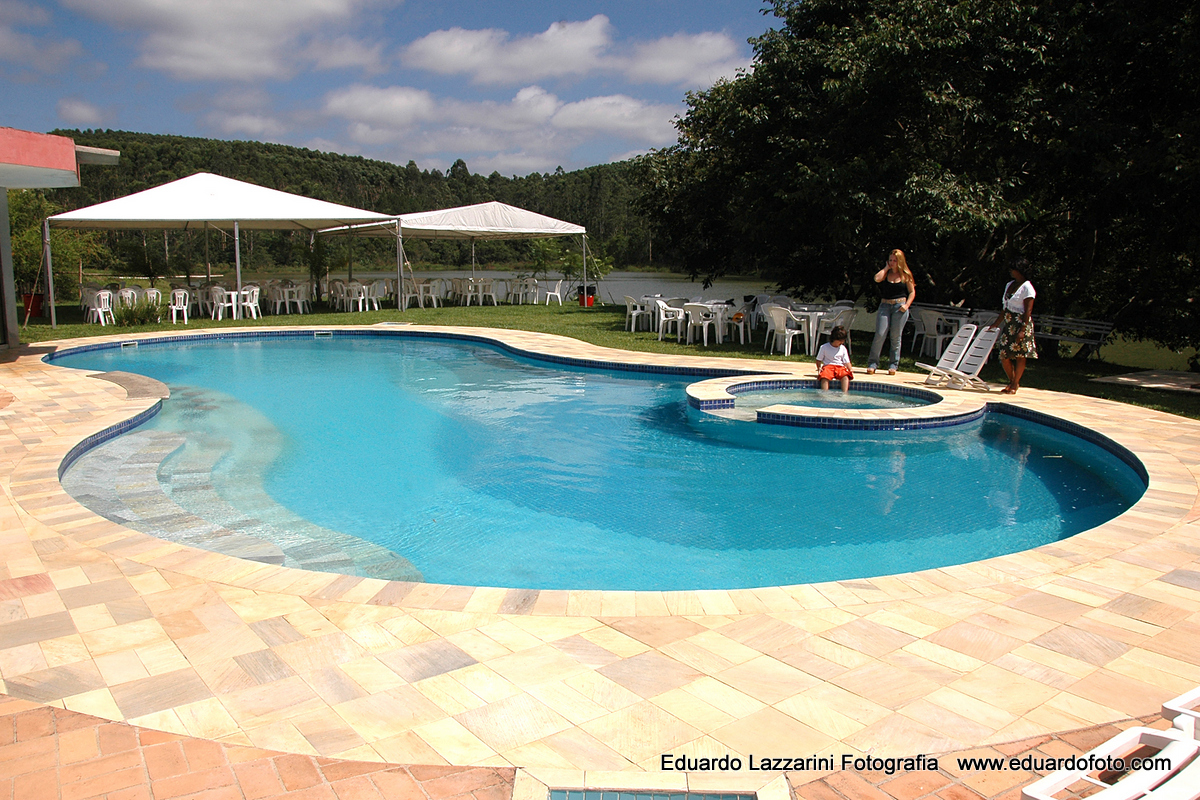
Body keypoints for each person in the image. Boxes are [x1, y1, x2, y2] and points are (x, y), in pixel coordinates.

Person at [990, 258, 1038, 394]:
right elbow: (1005, 308)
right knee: (1004, 355)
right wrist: (996, 324)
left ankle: (1015, 383)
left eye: (1014, 269)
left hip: (1021, 323)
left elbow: (1028, 310)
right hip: (1009, 323)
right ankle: (1012, 381)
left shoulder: (1027, 287)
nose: (1011, 271)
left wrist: (1022, 330)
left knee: (1020, 355)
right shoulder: (1009, 285)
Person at [866, 249, 916, 375]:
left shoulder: (906, 275)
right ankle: (872, 363)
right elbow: (877, 279)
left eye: (895, 260)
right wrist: (886, 268)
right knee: (880, 334)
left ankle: (893, 364)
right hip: (885, 305)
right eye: (891, 260)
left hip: (899, 306)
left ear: (900, 261)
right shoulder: (886, 274)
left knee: (895, 336)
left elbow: (912, 292)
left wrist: (907, 305)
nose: (892, 262)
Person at [816, 325, 854, 391]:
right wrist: (819, 368)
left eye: (843, 341)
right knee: (824, 377)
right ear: (834, 339)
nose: (841, 342)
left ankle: (844, 393)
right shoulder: (824, 347)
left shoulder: (842, 348)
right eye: (840, 341)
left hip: (839, 367)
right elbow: (818, 360)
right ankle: (825, 393)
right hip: (828, 366)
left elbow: (846, 361)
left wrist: (850, 369)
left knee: (845, 377)